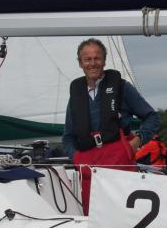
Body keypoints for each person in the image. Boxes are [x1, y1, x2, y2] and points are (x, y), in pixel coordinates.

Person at [62, 38, 160, 212]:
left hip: (119, 164)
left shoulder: (122, 88)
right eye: (87, 59)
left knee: (125, 216)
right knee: (93, 218)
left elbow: (152, 117)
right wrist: (75, 157)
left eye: (97, 58)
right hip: (88, 167)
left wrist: (136, 142)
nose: (93, 63)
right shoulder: (76, 95)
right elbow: (68, 136)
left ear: (104, 61)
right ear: (80, 63)